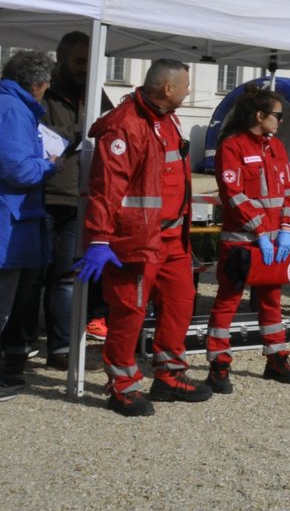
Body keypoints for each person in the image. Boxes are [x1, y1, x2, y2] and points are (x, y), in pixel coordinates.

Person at [76, 59, 210, 415]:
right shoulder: (125, 126)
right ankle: (122, 386)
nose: (188, 91)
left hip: (172, 240)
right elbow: (106, 188)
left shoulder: (167, 121)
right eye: (185, 86)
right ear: (168, 89)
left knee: (181, 303)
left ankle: (169, 376)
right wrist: (100, 239)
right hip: (136, 241)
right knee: (129, 314)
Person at [205, 86, 290, 392]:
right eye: (277, 115)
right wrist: (261, 231)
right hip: (241, 241)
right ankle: (219, 364)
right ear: (259, 115)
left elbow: (289, 192)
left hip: (273, 242)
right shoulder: (231, 146)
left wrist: (286, 229)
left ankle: (276, 358)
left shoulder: (277, 148)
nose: (281, 121)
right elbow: (233, 194)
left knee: (272, 301)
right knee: (227, 301)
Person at [35, 31, 109, 368]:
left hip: (79, 199)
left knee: (66, 277)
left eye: (91, 62)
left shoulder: (95, 94)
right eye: (80, 61)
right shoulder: (40, 93)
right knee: (30, 278)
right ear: (61, 57)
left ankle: (61, 349)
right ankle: (16, 348)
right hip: (39, 197)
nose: (86, 68)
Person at [0, 51, 58, 398]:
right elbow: (18, 169)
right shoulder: (13, 110)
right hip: (8, 220)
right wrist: (48, 163)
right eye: (46, 83)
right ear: (36, 84)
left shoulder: (11, 106)